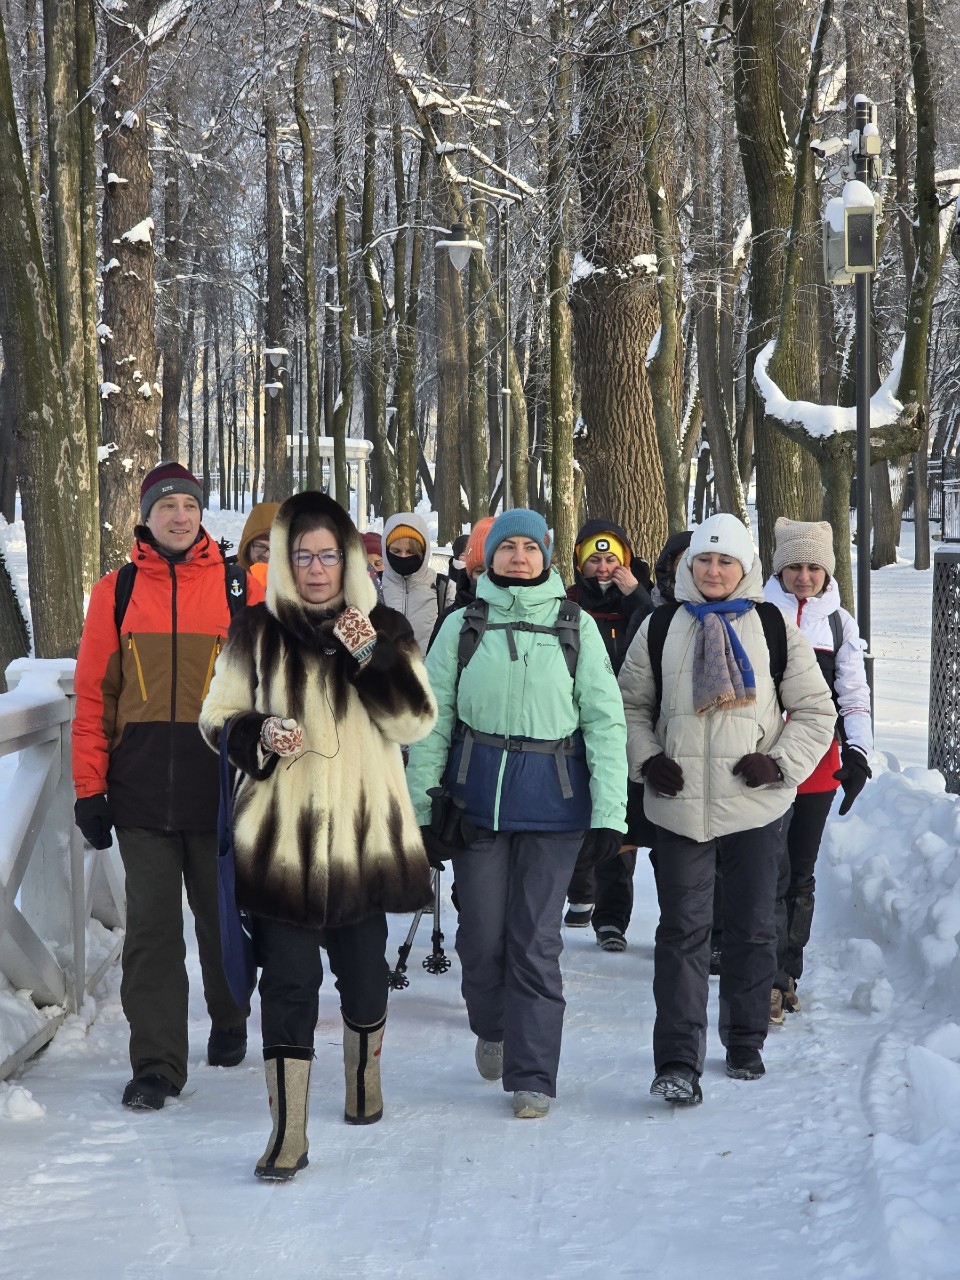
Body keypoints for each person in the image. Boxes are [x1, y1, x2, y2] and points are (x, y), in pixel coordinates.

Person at [199, 491, 436, 1180]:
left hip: (363, 841)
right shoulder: (255, 630)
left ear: (347, 559)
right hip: (282, 844)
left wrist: (370, 655)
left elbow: (416, 721)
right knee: (290, 985)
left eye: (326, 555)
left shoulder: (385, 625)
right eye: (301, 556)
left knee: (364, 981)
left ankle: (364, 1081)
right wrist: (257, 733)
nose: (313, 568)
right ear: (283, 560)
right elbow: (215, 718)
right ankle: (289, 1133)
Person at [406, 509, 627, 1120]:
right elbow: (432, 719)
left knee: (535, 940)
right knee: (481, 936)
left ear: (546, 557)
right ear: (491, 557)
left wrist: (610, 814)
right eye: (509, 548)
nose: (520, 558)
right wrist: (423, 807)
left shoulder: (575, 625)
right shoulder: (463, 624)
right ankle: (492, 1025)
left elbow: (605, 722)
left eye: (531, 548)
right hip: (475, 805)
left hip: (555, 806)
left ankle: (533, 1074)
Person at [618, 512, 835, 1106]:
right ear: (690, 566)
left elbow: (817, 709)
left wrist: (781, 762)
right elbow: (628, 707)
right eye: (704, 561)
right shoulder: (662, 625)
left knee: (753, 927)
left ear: (746, 568)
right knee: (682, 933)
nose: (713, 571)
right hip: (679, 804)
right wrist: (647, 758)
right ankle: (677, 1060)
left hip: (756, 806)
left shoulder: (771, 626)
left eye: (725, 562)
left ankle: (744, 1039)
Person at [72, 461, 266, 1111]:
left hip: (222, 791)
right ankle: (156, 1064)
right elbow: (95, 696)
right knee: (152, 932)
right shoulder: (117, 591)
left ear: (201, 514)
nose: (179, 516)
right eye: (166, 506)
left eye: (189, 505)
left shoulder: (240, 588)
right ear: (147, 516)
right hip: (141, 791)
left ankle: (230, 1013)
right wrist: (89, 787)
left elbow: (280, 670)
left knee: (221, 921)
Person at [764, 518, 872, 1022]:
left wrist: (859, 754)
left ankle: (787, 973)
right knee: (767, 868)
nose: (803, 577)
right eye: (794, 567)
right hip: (763, 760)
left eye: (813, 567)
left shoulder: (839, 624)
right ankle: (764, 975)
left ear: (827, 571)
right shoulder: (757, 611)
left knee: (799, 872)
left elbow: (853, 694)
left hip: (818, 763)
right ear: (779, 569)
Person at [563, 520, 652, 950]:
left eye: (611, 559)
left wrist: (636, 593)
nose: (602, 568)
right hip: (574, 725)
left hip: (627, 724)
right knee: (575, 814)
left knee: (619, 820)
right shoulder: (567, 602)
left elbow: (659, 631)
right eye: (594, 560)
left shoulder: (640, 601)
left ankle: (611, 919)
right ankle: (579, 891)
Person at [380, 512, 456, 655]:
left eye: (411, 551)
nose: (403, 556)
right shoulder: (373, 587)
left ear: (423, 551)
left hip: (430, 668)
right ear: (386, 550)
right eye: (396, 550)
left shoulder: (444, 588)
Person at [237, 502, 280, 590]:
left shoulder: (298, 584)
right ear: (247, 547)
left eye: (275, 548)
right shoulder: (231, 582)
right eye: (261, 547)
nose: (268, 555)